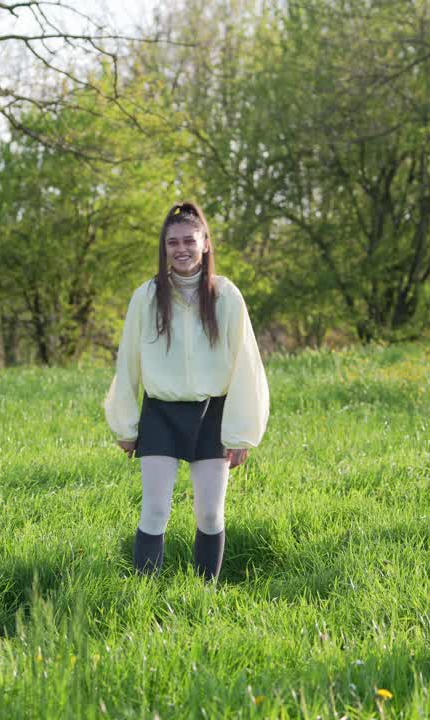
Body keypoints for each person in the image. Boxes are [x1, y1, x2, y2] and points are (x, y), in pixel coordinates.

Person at [104, 201, 269, 581]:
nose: (181, 249)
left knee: (210, 513)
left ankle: (203, 594)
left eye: (189, 241)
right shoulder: (146, 297)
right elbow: (127, 361)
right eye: (172, 243)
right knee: (155, 510)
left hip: (212, 413)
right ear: (164, 249)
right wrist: (127, 427)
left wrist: (241, 433)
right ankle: (145, 596)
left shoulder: (226, 296)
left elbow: (247, 363)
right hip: (160, 413)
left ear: (205, 243)